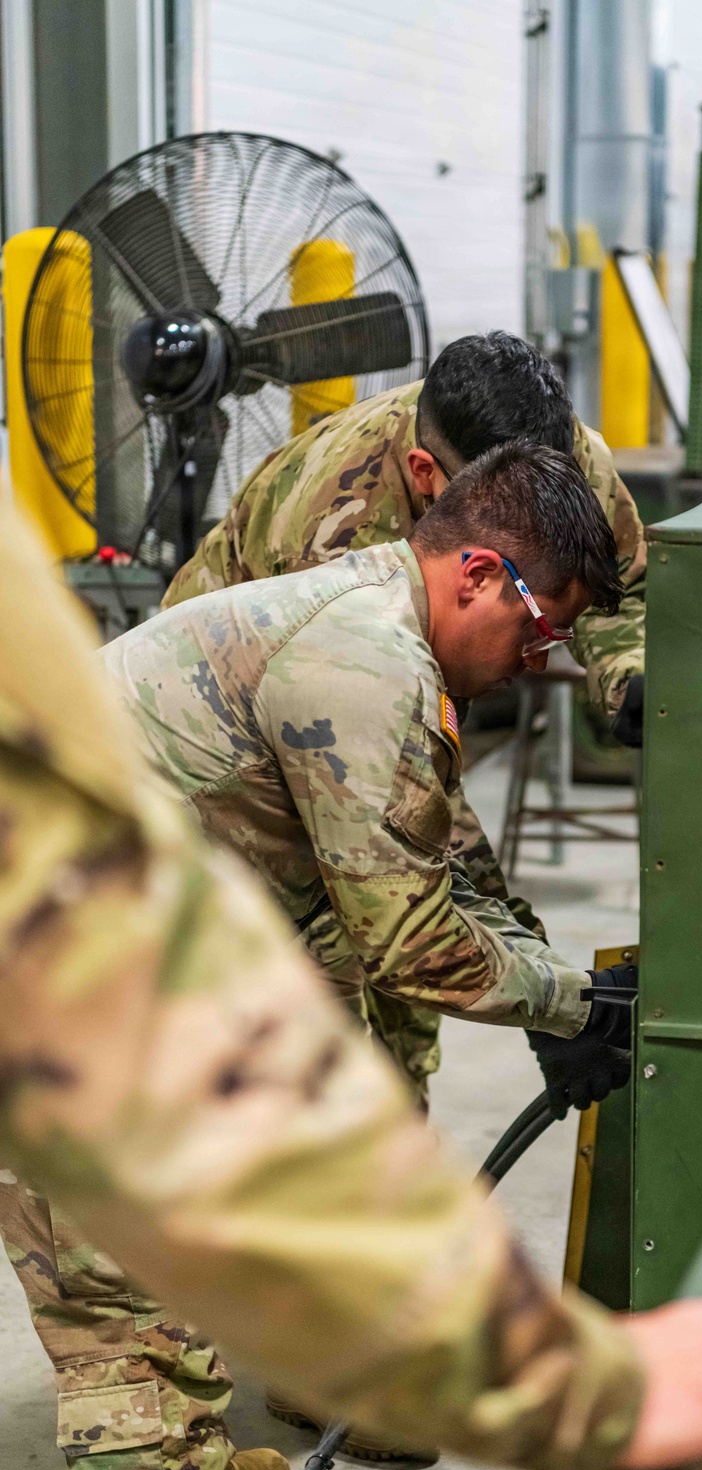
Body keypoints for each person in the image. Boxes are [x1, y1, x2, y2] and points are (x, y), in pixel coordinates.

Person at [0, 506, 702, 1470]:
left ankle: (199, 1461)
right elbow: (408, 942)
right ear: (477, 574)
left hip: (122, 928)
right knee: (123, 1290)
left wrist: (557, 984)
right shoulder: (361, 661)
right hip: (57, 970)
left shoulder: (382, 626)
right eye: (539, 626)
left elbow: (429, 867)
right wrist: (574, 1009)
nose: (535, 661)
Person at [163, 332, 645, 1094]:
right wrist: (557, 1006)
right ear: (430, 478)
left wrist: (628, 678)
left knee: (389, 1030)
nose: (537, 663)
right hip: (230, 766)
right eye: (534, 632)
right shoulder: (339, 548)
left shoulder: (555, 457)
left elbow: (618, 584)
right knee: (320, 1015)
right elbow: (411, 882)